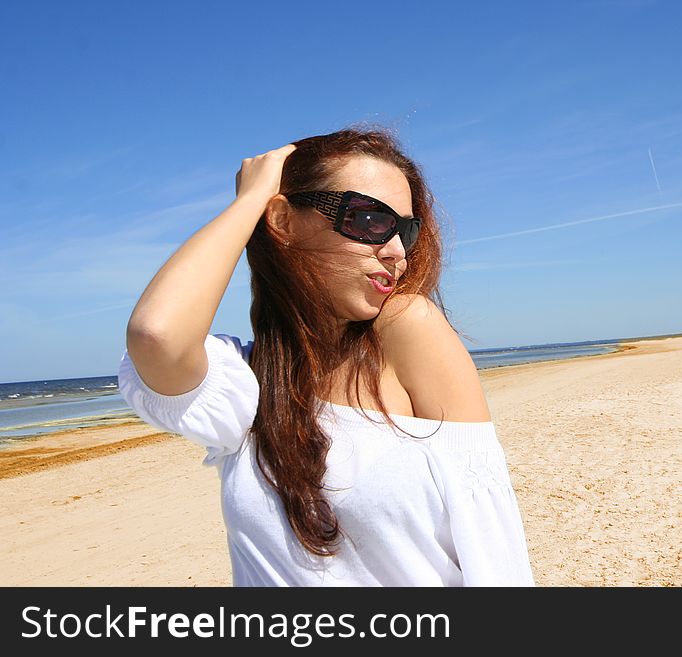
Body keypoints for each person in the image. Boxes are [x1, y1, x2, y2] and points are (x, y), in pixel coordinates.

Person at [118, 126, 534, 586]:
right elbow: (157, 334)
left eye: (406, 229)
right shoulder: (246, 388)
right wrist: (250, 201)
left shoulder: (407, 329)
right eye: (370, 220)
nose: (396, 251)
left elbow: (493, 549)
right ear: (284, 221)